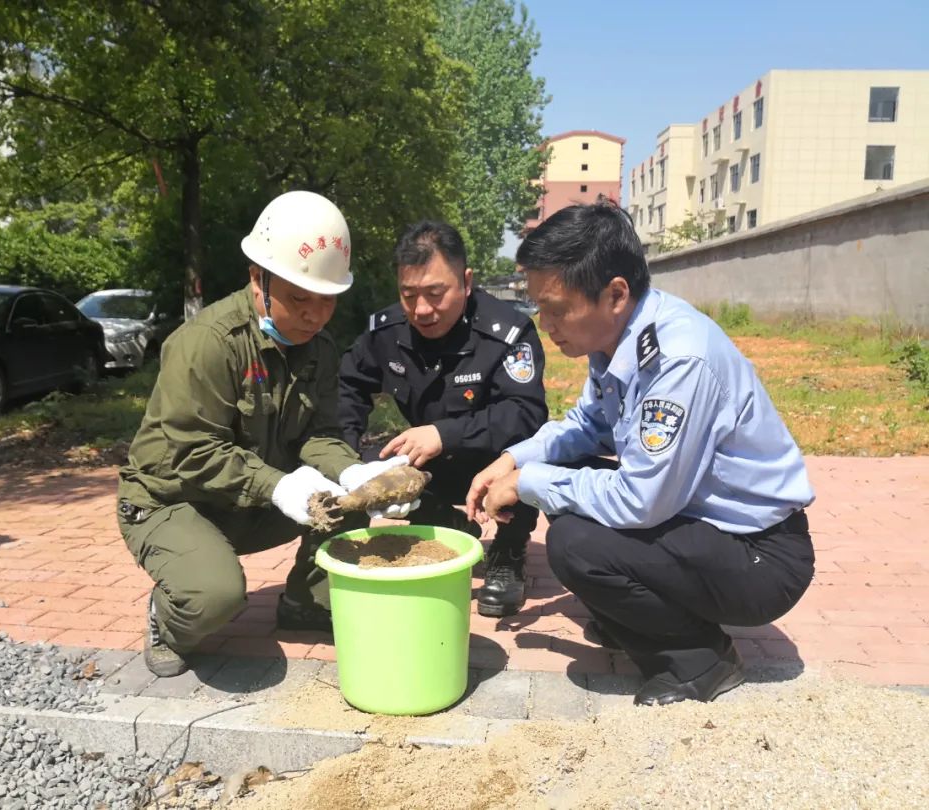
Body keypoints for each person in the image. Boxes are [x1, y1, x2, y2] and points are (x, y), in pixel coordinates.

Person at [466, 200, 815, 706]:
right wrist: (515, 459)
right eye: (539, 307)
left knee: (574, 544)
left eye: (557, 308)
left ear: (615, 293)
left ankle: (701, 661)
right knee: (568, 486)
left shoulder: (678, 358)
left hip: (760, 556)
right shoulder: (619, 339)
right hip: (705, 527)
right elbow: (588, 426)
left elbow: (641, 501)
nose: (546, 323)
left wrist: (529, 484)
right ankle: (642, 617)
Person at [117, 190, 418, 677]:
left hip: (250, 499)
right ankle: (169, 617)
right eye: (301, 299)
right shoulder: (209, 344)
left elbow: (319, 434)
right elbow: (191, 453)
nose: (315, 316)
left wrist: (354, 471)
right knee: (213, 598)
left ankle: (306, 602)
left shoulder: (318, 347)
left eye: (328, 303)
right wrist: (277, 485)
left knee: (347, 502)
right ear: (258, 279)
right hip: (173, 500)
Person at [338, 221, 548, 617]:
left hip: (492, 463)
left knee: (528, 457)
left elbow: (527, 413)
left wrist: (444, 433)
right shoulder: (387, 331)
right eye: (408, 295)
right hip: (431, 468)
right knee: (377, 468)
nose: (421, 310)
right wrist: (345, 458)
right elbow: (348, 386)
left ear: (466, 282)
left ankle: (507, 552)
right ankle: (449, 526)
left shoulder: (507, 333)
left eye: (435, 294)